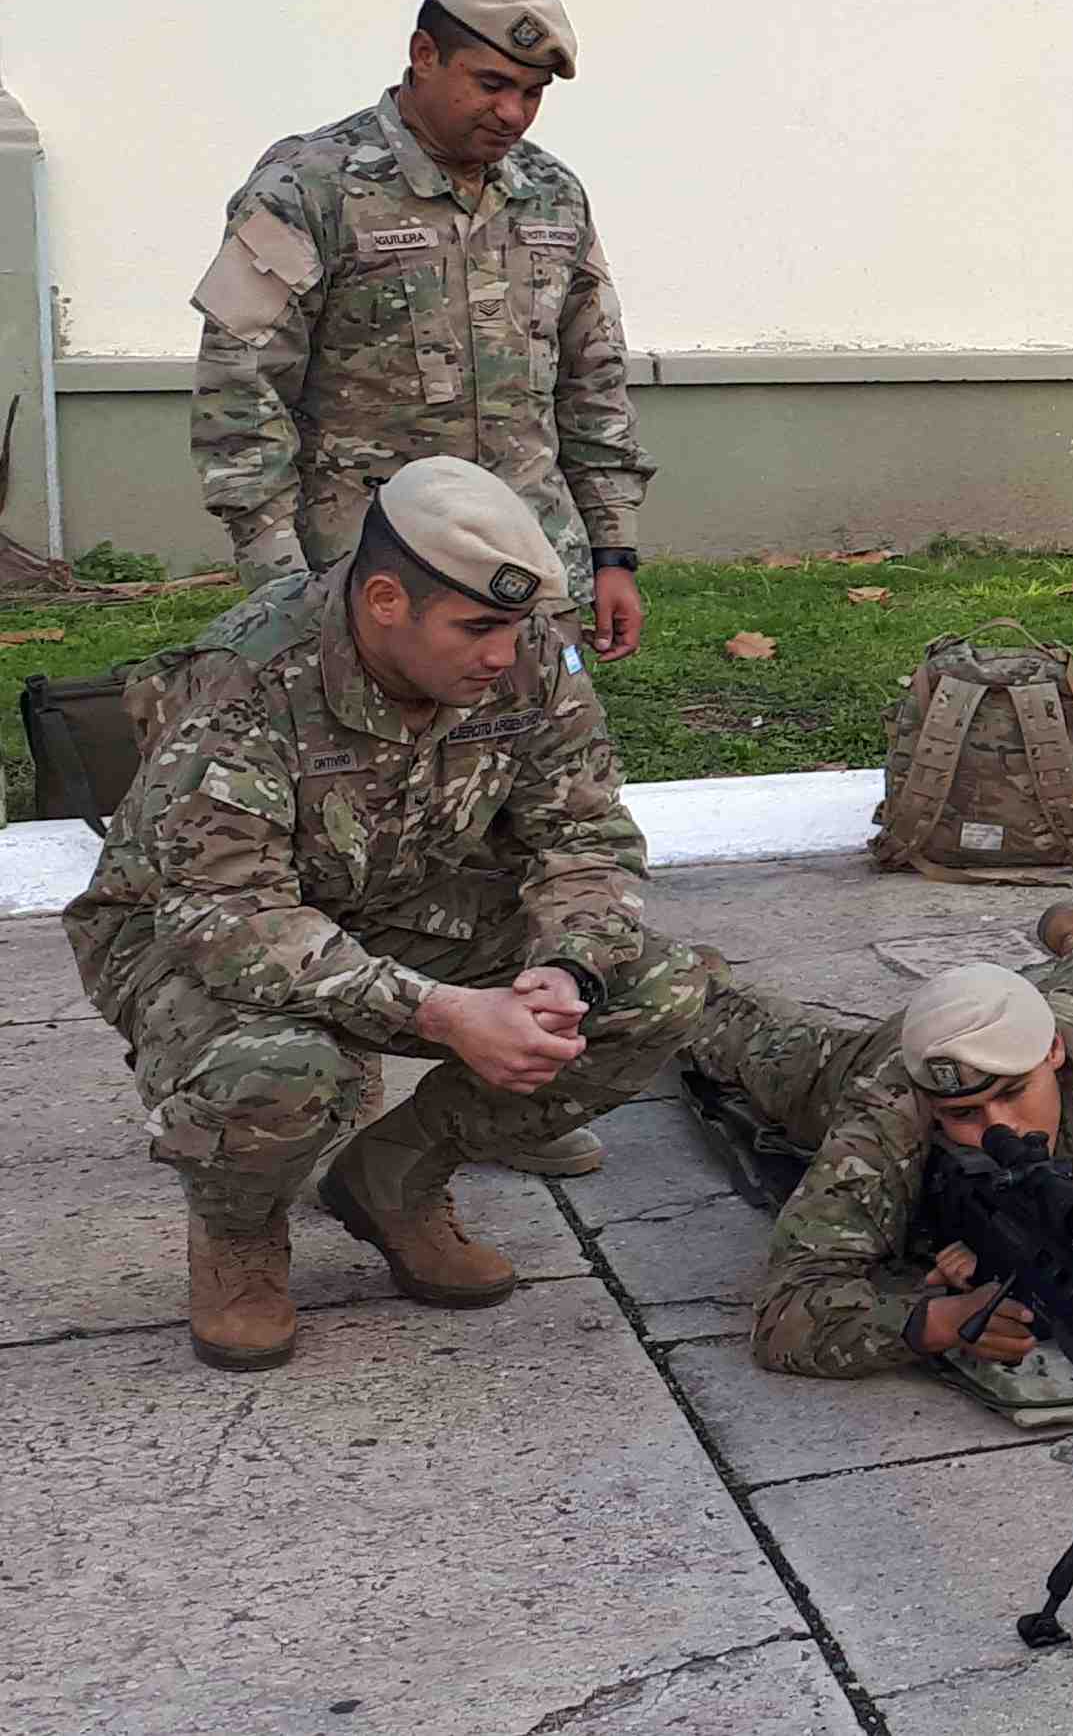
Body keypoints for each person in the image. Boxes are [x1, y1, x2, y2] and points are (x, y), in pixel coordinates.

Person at [64, 458, 706, 1372]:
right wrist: (440, 1011)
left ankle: (396, 1178)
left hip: (397, 901)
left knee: (650, 990)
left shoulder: (524, 657)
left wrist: (563, 969)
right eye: (478, 627)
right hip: (185, 932)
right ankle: (241, 1235)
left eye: (517, 627)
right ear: (383, 601)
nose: (502, 653)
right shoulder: (244, 681)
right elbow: (228, 914)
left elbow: (585, 835)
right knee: (280, 1070)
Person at [190, 0, 651, 661]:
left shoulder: (552, 194)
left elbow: (592, 380)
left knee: (538, 762)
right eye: (491, 84)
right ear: (424, 54)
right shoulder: (308, 189)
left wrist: (612, 550)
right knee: (368, 769)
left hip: (530, 571)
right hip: (370, 578)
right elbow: (241, 395)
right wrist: (280, 582)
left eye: (531, 93)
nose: (512, 114)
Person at [685, 906, 1073, 1379]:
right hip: (886, 1052)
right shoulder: (890, 1108)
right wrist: (930, 1323)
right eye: (962, 1113)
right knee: (738, 1041)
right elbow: (785, 1316)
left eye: (1014, 1093)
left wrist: (1051, 1289)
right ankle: (690, 980)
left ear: (1052, 1055)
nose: (999, 1128)